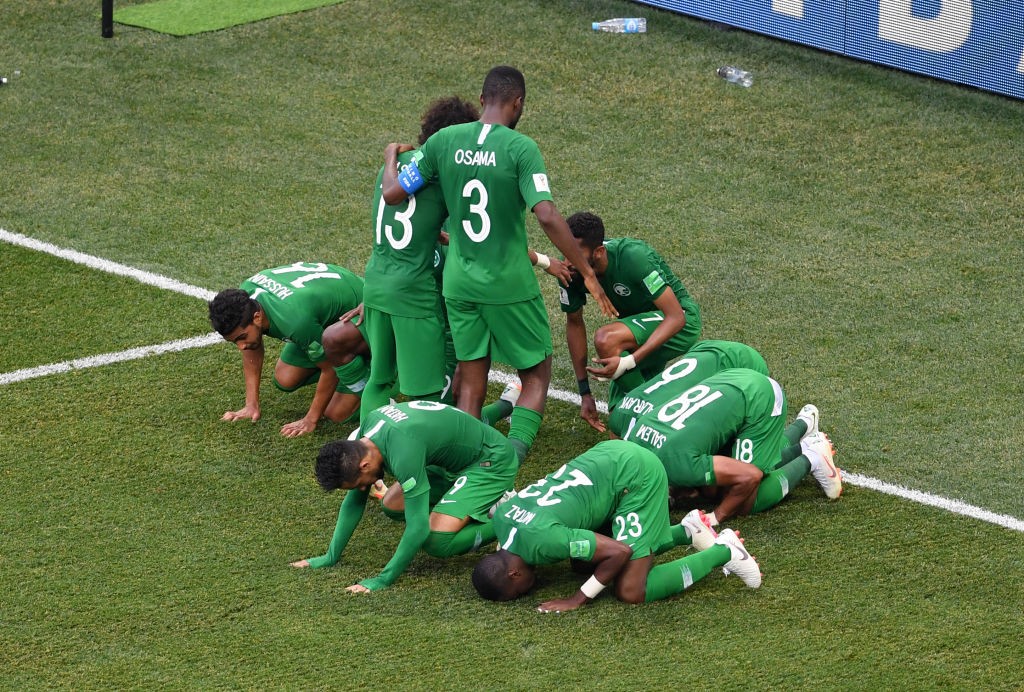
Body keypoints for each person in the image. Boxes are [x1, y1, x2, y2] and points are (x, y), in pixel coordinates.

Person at [380, 65, 617, 465]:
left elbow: (392, 194)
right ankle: (512, 454)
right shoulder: (521, 148)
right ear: (518, 102)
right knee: (537, 371)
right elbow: (545, 214)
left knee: (471, 377)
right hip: (508, 284)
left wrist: (390, 157)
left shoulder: (442, 142)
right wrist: (588, 273)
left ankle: (466, 458)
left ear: (482, 96)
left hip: (459, 283)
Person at [358, 95, 565, 425]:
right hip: (414, 293)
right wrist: (543, 261)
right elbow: (479, 239)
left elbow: (401, 207)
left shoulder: (395, 170)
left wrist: (387, 158)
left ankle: (369, 443)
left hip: (375, 285)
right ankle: (435, 456)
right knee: (431, 395)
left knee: (379, 380)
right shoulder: (445, 173)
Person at [471, 439, 761, 612]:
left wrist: (578, 598)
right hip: (605, 457)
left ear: (513, 572)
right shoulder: (503, 518)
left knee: (631, 589)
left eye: (519, 590)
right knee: (583, 563)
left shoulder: (545, 541)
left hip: (635, 475)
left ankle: (725, 551)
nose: (527, 591)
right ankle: (689, 529)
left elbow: (619, 552)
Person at [290, 401, 519, 592]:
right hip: (451, 462)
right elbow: (354, 500)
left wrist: (383, 579)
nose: (363, 488)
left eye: (360, 483)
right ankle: (478, 505)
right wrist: (330, 556)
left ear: (364, 465)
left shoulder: (404, 453)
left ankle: (510, 516)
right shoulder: (368, 430)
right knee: (392, 504)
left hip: (490, 462)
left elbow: (418, 528)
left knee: (435, 541)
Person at [607, 366, 842, 526]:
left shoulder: (679, 466)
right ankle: (804, 426)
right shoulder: (634, 439)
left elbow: (748, 476)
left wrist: (716, 517)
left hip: (757, 398)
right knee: (728, 472)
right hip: (728, 381)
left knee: (745, 496)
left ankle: (812, 456)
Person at [560, 211, 703, 428]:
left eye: (575, 254)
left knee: (606, 339)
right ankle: (666, 412)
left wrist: (630, 361)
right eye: (564, 251)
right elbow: (574, 323)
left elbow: (675, 317)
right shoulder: (569, 271)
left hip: (679, 321)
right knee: (620, 422)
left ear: (598, 252)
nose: (567, 261)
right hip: (638, 334)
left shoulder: (634, 257)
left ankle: (659, 421)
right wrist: (585, 393)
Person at [208, 262, 370, 437]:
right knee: (285, 378)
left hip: (363, 309)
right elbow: (250, 347)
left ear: (257, 317)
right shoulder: (247, 300)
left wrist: (310, 419)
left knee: (336, 413)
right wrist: (251, 404)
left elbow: (329, 367)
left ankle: (373, 367)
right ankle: (347, 368)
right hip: (325, 308)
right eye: (234, 342)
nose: (241, 346)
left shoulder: (295, 322)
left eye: (241, 338)